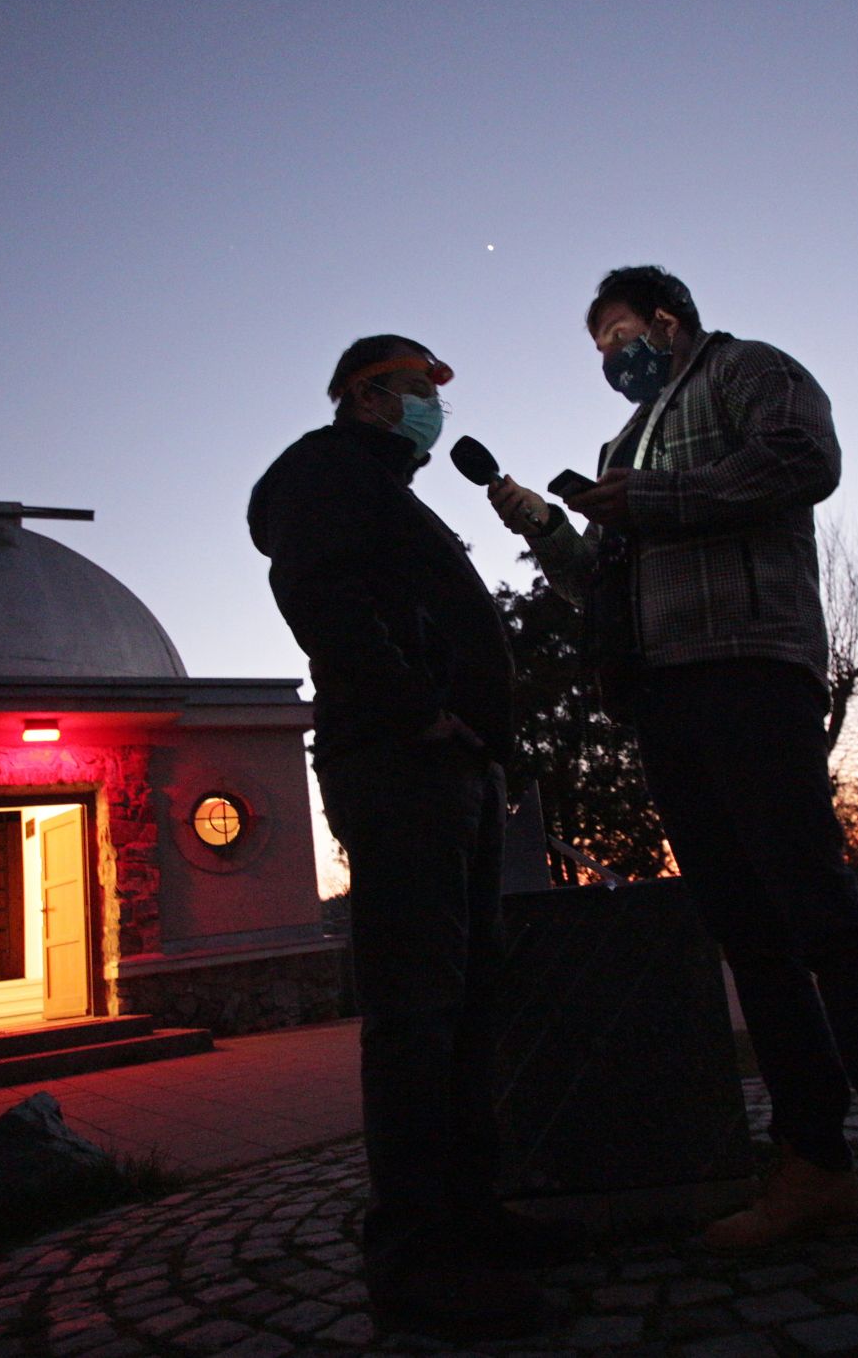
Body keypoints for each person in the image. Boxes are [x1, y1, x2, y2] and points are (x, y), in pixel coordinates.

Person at [486, 267, 858, 1302]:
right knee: (747, 937)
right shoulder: (619, 450)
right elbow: (605, 586)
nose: (611, 360)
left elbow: (804, 462)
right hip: (662, 695)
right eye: (596, 351)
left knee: (819, 918)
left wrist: (654, 499)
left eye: (619, 334)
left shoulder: (747, 372)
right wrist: (545, 528)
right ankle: (814, 1168)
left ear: (666, 320)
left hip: (751, 666)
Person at [248, 335, 567, 1339]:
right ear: (367, 398)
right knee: (417, 1010)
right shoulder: (326, 472)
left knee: (467, 1001)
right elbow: (318, 593)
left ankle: (471, 1218)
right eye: (420, 387)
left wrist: (479, 737)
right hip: (398, 764)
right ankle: (415, 1257)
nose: (434, 403)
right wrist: (410, 703)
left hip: (453, 767)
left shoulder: (392, 495)